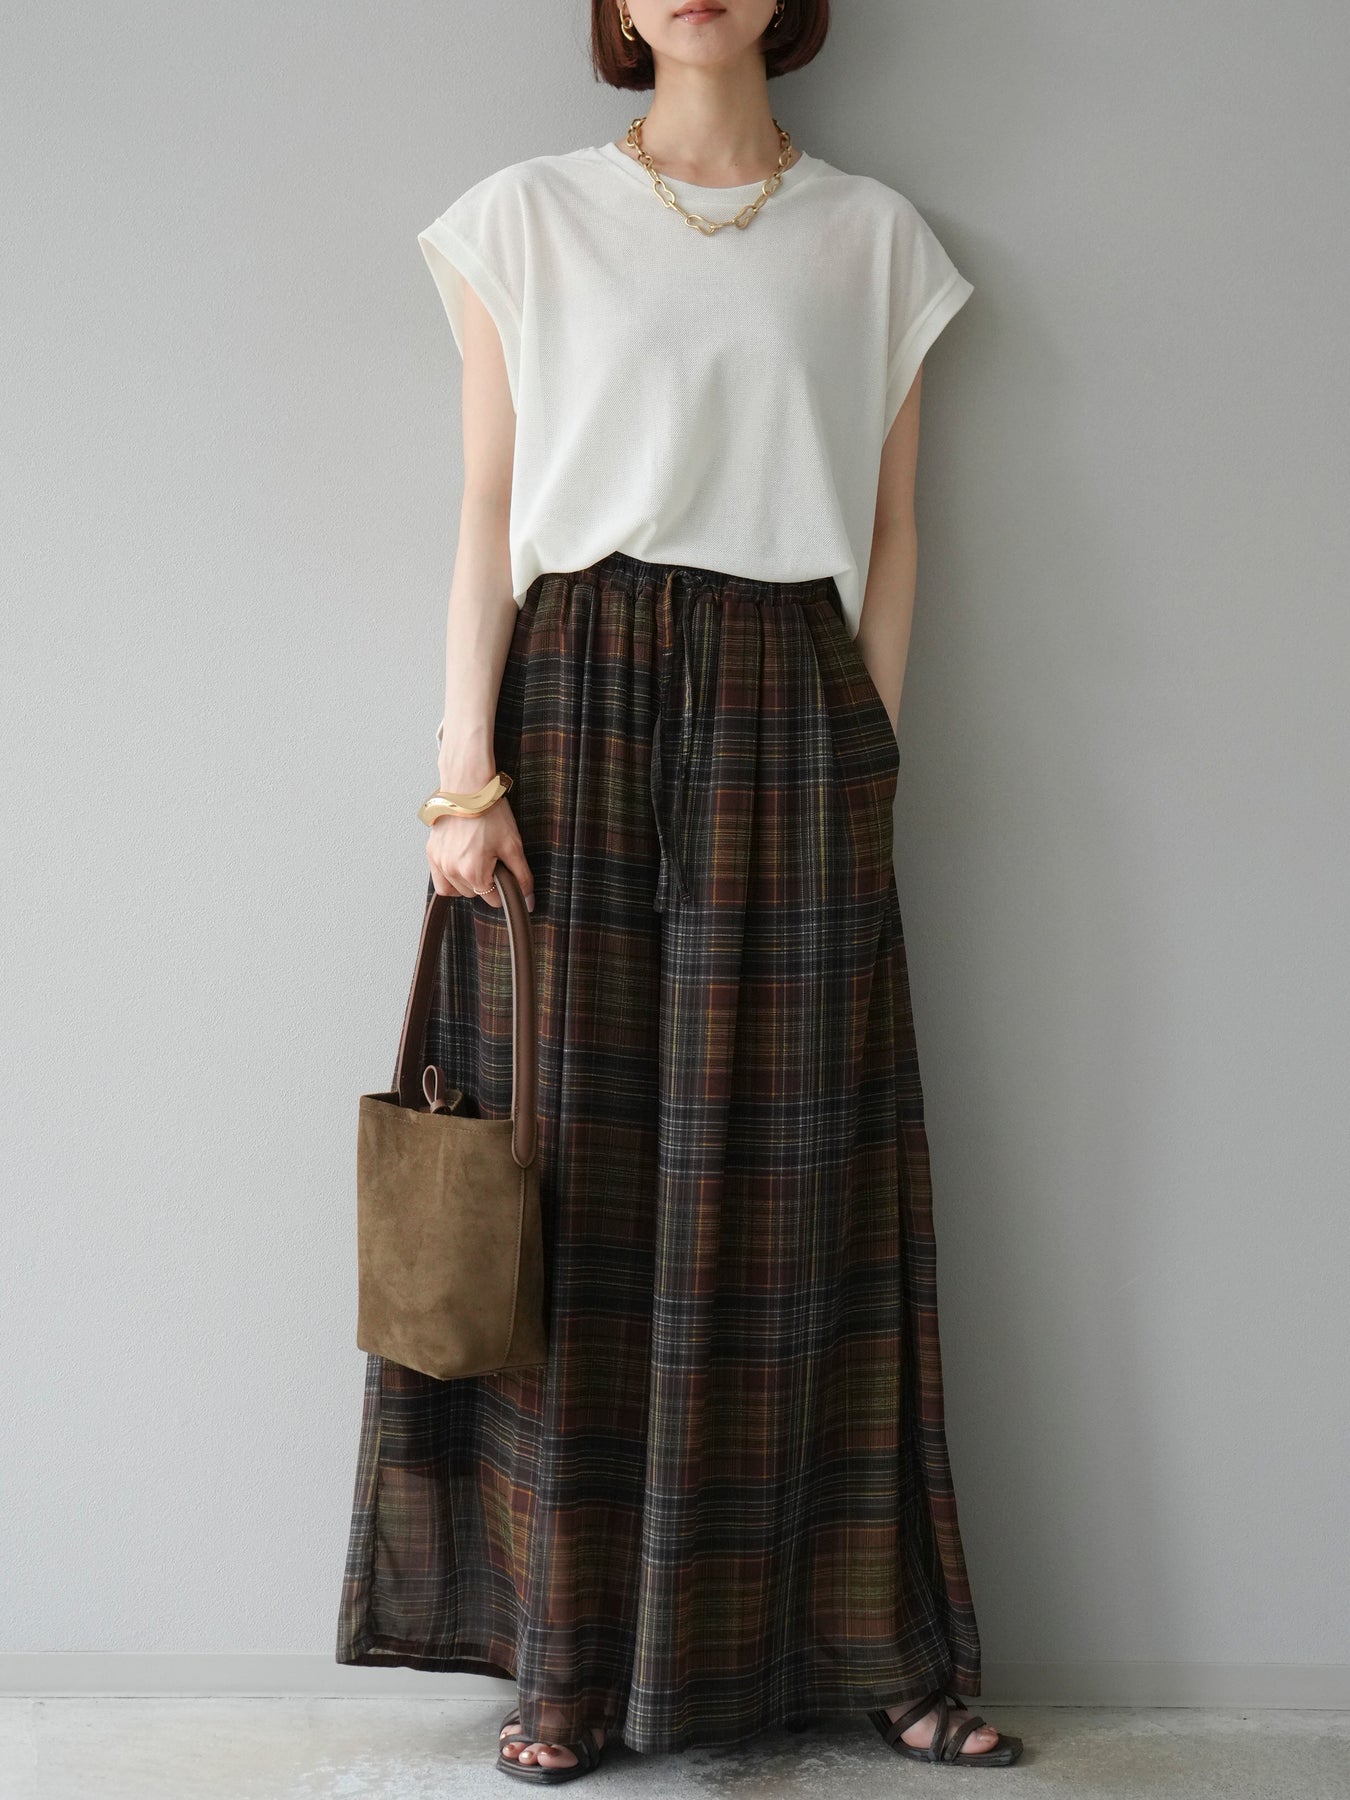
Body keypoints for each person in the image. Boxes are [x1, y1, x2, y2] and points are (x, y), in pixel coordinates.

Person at [337, 0, 1024, 1781]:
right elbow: (487, 510)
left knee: (800, 1179)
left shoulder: (877, 239)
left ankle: (870, 1643)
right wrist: (460, 771)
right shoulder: (522, 217)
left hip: (794, 703)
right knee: (566, 1176)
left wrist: (869, 753)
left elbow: (895, 528)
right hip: (570, 697)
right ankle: (565, 1662)